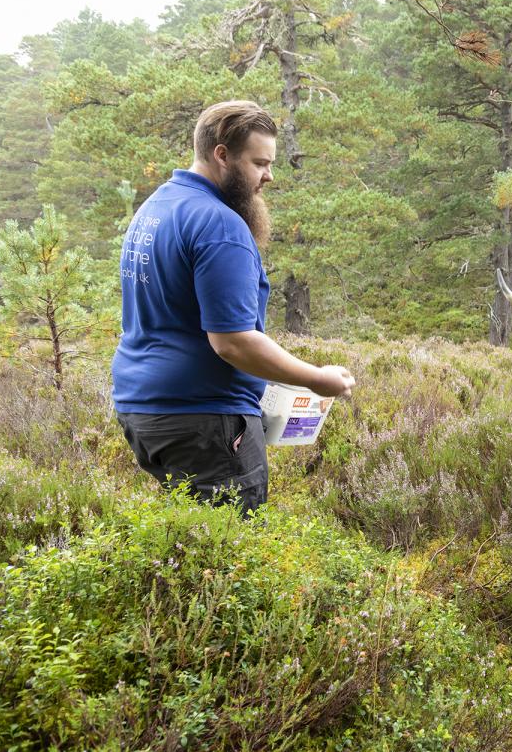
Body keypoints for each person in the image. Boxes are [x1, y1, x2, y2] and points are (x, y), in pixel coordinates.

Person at [112, 100, 355, 513]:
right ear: (221, 155)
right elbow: (233, 342)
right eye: (259, 163)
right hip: (203, 417)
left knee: (190, 543)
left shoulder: (156, 207)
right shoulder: (219, 224)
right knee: (229, 555)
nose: (269, 176)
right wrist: (317, 378)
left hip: (145, 409)